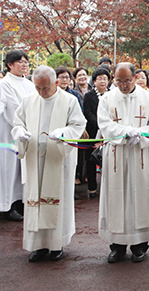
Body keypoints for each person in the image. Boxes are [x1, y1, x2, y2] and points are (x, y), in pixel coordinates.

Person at [12, 65, 86, 262]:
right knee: (34, 200)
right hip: (34, 158)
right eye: (37, 88)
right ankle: (38, 245)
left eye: (45, 88)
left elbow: (79, 124)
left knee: (57, 199)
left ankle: (56, 244)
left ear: (55, 83)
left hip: (58, 159)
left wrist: (64, 133)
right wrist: (19, 132)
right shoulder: (29, 100)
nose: (41, 92)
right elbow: (18, 122)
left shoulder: (69, 100)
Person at [96, 62, 149, 263]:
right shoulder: (107, 99)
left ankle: (139, 245)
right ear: (113, 80)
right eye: (119, 81)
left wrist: (141, 134)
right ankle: (116, 246)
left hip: (140, 155)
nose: (123, 85)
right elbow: (105, 124)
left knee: (139, 197)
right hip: (116, 154)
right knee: (115, 197)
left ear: (135, 78)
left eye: (127, 80)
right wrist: (125, 132)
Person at [0, 50, 35, 221]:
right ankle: (8, 206)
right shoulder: (5, 83)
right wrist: (23, 125)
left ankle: (22, 202)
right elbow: (14, 109)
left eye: (26, 62)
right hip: (11, 133)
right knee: (10, 170)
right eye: (20, 62)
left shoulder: (28, 83)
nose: (24, 64)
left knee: (24, 171)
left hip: (28, 131)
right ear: (10, 65)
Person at [83, 66, 111, 198]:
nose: (102, 81)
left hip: (109, 133)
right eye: (99, 79)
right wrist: (100, 123)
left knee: (108, 160)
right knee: (91, 159)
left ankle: (108, 187)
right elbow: (87, 112)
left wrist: (107, 126)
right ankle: (92, 188)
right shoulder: (89, 96)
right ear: (94, 81)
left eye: (105, 79)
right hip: (93, 132)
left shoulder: (112, 95)